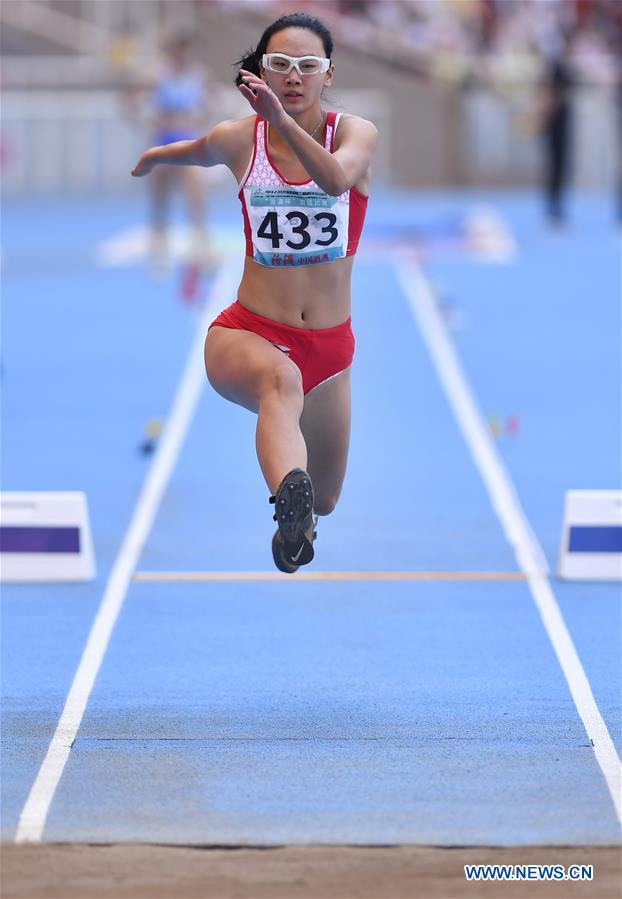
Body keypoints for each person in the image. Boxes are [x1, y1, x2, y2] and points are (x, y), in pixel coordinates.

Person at [132, 12, 378, 573]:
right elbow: (198, 148)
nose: (293, 75)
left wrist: (280, 121)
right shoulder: (241, 138)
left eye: (307, 65)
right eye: (280, 64)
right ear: (263, 71)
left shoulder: (355, 134)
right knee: (279, 381)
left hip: (330, 349)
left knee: (327, 497)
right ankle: (286, 497)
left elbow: (335, 180)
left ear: (328, 74)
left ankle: (299, 520)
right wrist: (156, 158)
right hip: (249, 332)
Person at [127, 32, 215, 277]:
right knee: (161, 198)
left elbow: (211, 105)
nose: (183, 55)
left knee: (196, 198)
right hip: (164, 143)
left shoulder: (198, 75)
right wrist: (146, 120)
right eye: (179, 49)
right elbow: (130, 98)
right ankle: (159, 251)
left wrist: (203, 122)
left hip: (190, 144)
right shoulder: (159, 75)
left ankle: (201, 250)